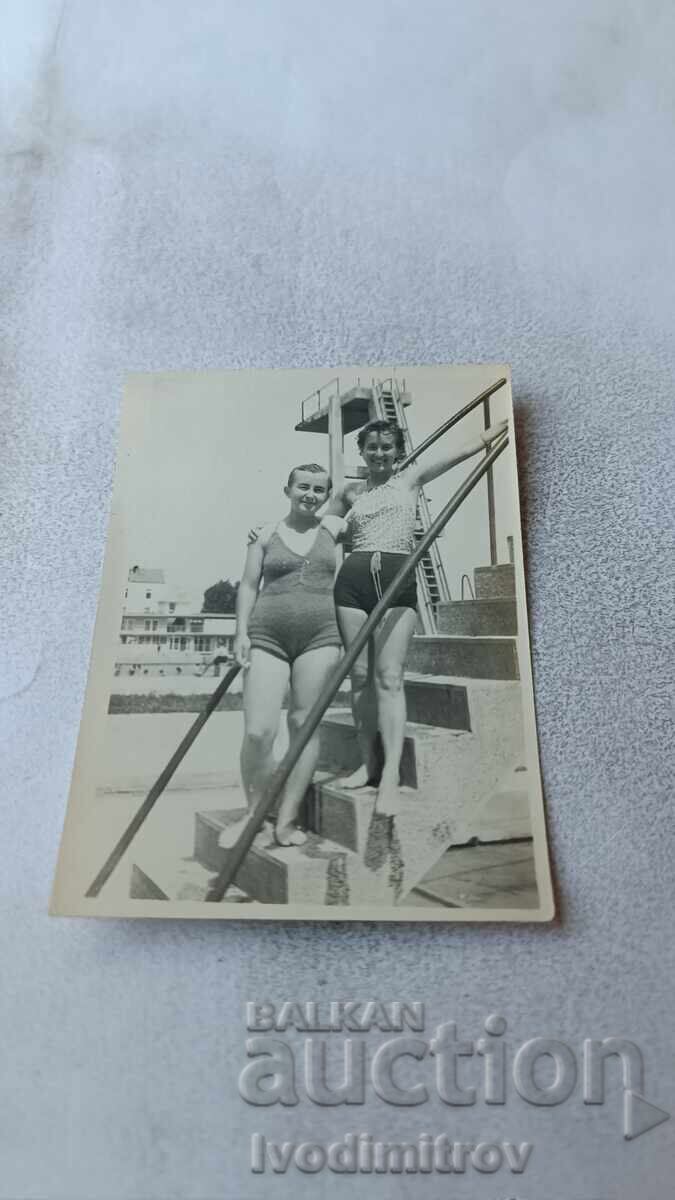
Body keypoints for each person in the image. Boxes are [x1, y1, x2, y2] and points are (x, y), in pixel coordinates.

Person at [330, 415, 508, 817]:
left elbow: (467, 447)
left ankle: (390, 776)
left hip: (396, 583)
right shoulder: (349, 492)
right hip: (352, 585)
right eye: (371, 446)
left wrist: (506, 422)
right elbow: (319, 525)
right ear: (361, 451)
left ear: (397, 451)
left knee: (388, 677)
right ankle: (368, 764)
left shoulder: (409, 480)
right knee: (359, 678)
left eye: (386, 446)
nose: (379, 453)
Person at [220, 463, 342, 849]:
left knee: (304, 726)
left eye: (318, 490)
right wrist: (240, 632)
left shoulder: (336, 530)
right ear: (286, 490)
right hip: (267, 634)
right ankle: (254, 815)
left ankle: (286, 821)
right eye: (302, 487)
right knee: (259, 731)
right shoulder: (265, 534)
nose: (309, 494)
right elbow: (248, 585)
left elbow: (369, 494)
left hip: (321, 636)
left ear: (326, 496)